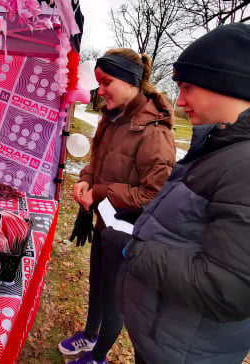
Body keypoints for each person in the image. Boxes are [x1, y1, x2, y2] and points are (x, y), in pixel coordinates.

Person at [100, 22, 250, 364]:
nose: (179, 101)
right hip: (169, 337)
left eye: (188, 87)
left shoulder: (244, 164)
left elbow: (229, 288)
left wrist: (132, 249)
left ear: (228, 84)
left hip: (188, 351)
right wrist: (140, 219)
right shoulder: (219, 148)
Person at [59, 48, 176, 364]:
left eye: (106, 81)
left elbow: (156, 194)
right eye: (98, 82)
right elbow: (97, 159)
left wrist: (101, 191)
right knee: (96, 285)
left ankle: (98, 357)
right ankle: (90, 334)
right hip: (104, 226)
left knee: (114, 298)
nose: (101, 90)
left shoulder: (154, 133)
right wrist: (85, 179)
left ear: (130, 81)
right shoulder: (111, 119)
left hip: (129, 235)